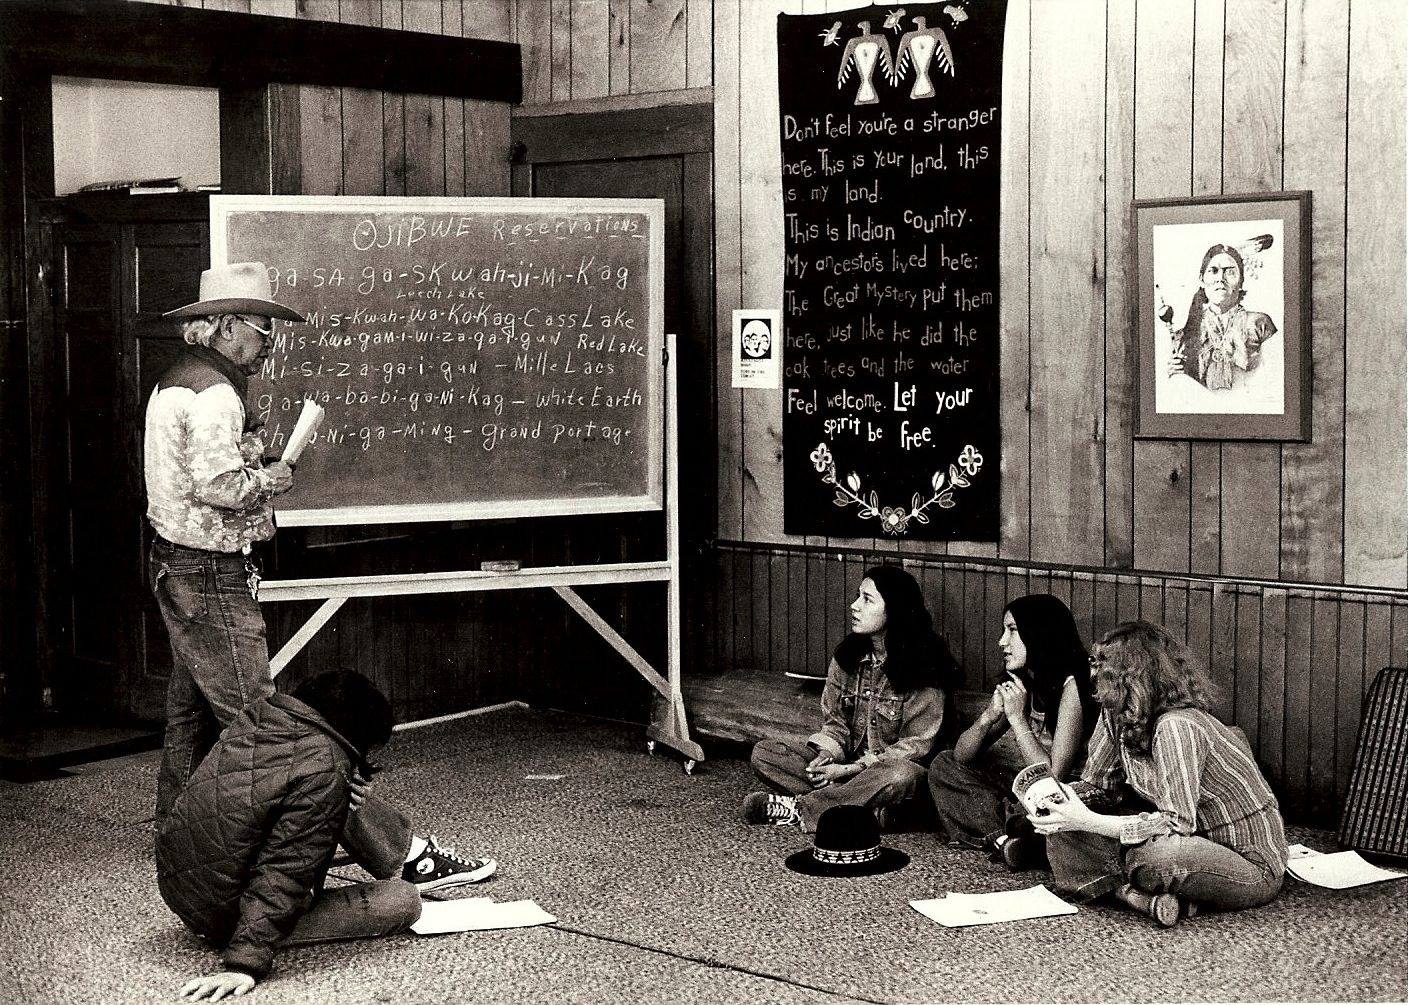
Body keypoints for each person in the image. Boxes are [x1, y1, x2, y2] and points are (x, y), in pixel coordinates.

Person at [146, 262, 487, 889]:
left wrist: (251, 466)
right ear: (223, 327)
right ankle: (400, 849)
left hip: (178, 566)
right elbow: (219, 488)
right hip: (213, 571)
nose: (269, 341)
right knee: (271, 725)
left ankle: (176, 837)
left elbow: (196, 477)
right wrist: (268, 478)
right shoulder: (218, 395)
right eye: (259, 327)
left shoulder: (176, 383)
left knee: (191, 710)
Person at [159, 671, 491, 1001]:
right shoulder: (324, 766)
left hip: (185, 886)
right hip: (225, 914)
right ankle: (412, 866)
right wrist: (244, 963)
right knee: (403, 900)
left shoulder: (260, 721)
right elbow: (285, 869)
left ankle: (412, 857)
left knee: (337, 791)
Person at [1029, 621, 1287, 927]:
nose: (1095, 676)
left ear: (1133, 678)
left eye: (1105, 668)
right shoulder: (1116, 714)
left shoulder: (1177, 726)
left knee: (1156, 857)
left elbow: (1177, 823)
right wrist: (1060, 800)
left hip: (1246, 863)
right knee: (1061, 830)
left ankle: (1128, 888)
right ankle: (1142, 898)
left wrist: (1088, 821)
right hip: (1183, 842)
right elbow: (1100, 788)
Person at [742, 565, 961, 832]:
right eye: (858, 596)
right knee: (765, 753)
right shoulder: (846, 655)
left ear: (895, 610)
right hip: (848, 767)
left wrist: (850, 771)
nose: (854, 606)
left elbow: (916, 747)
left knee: (900, 775)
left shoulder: (926, 664)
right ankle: (864, 809)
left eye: (867, 599)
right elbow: (834, 723)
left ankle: (803, 809)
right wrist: (826, 756)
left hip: (894, 771)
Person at [927, 594, 1098, 869]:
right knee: (943, 764)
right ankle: (1008, 838)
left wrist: (1018, 720)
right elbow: (961, 757)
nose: (1002, 642)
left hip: (1066, 791)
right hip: (1026, 786)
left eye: (1012, 631)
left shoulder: (1073, 685)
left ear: (1039, 634)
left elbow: (1054, 776)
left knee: (1037, 808)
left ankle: (1009, 833)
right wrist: (988, 717)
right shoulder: (1024, 680)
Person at [1169, 243, 1277, 391]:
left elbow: (1275, 380)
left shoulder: (1259, 324)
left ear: (1241, 282)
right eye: (1213, 271)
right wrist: (1176, 375)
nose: (1220, 278)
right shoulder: (1185, 336)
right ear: (1202, 279)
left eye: (1230, 272)